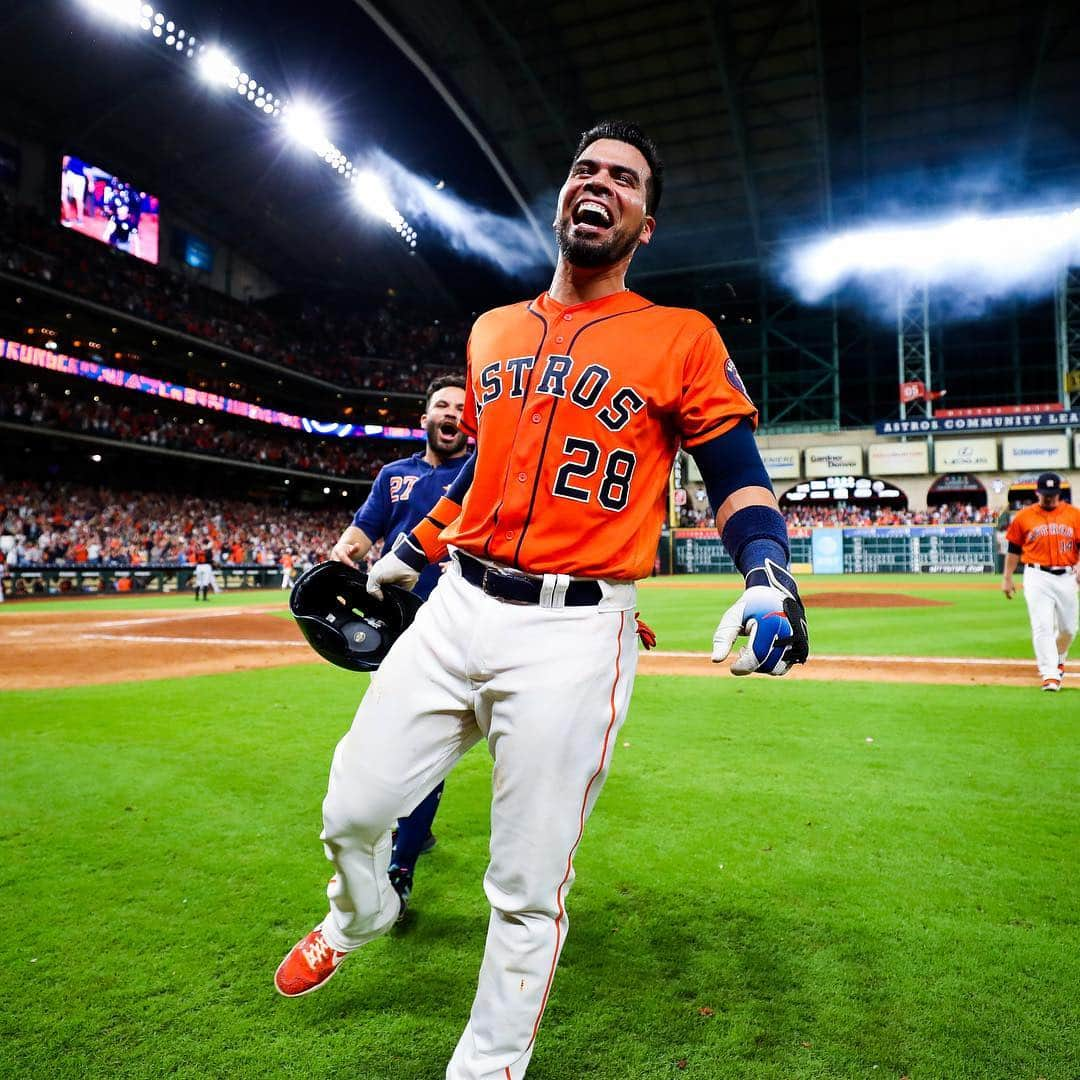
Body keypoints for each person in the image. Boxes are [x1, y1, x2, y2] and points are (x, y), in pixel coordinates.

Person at [274, 121, 809, 1079]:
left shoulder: (681, 336)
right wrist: (409, 551)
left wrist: (767, 570)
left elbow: (735, 469)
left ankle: (488, 1066)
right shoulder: (493, 331)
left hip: (574, 631)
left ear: (644, 224)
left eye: (625, 179)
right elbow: (488, 471)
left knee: (524, 884)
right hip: (455, 610)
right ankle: (361, 912)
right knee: (351, 809)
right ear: (563, 197)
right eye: (584, 169)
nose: (599, 184)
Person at [326, 373, 470, 917]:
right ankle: (415, 830)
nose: (451, 412)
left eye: (461, 406)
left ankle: (402, 864)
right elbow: (364, 532)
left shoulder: (479, 474)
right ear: (425, 417)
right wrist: (346, 551)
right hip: (393, 626)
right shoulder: (394, 476)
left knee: (424, 745)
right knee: (395, 737)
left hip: (455, 623)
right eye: (442, 404)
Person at [1002, 472, 1080, 691]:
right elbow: (1014, 549)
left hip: (1066, 576)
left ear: (1059, 493)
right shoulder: (1024, 517)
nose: (1049, 498)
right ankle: (1050, 674)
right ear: (1038, 492)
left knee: (1069, 629)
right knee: (1042, 625)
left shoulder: (1074, 515)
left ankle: (1059, 657)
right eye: (1045, 494)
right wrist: (1007, 578)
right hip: (1037, 576)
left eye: (1053, 494)